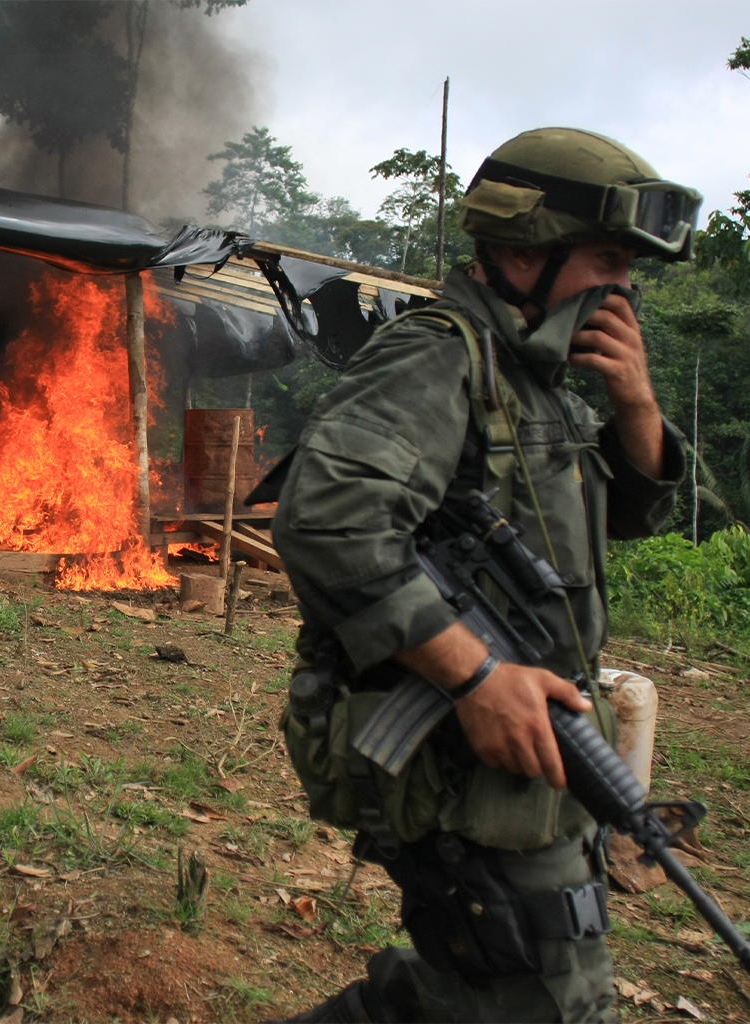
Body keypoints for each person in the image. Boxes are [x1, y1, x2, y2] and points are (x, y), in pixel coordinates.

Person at [270, 128, 698, 1023]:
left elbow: (619, 517)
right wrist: (476, 675)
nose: (623, 290)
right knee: (535, 998)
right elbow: (326, 518)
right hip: (452, 749)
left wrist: (637, 404)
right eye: (607, 260)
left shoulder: (538, 378)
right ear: (518, 251)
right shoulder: (439, 355)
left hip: (532, 740)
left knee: (480, 996)